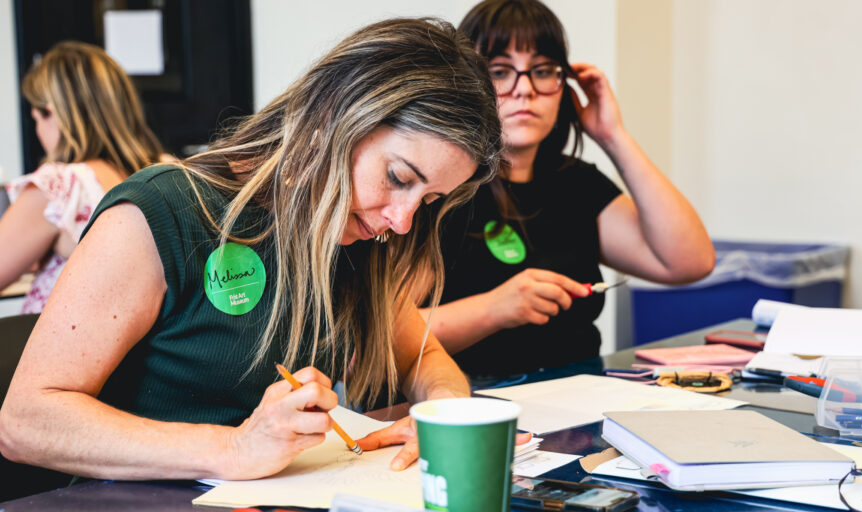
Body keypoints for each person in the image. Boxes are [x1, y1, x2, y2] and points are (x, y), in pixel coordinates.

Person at [0, 18, 502, 480]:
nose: (403, 220)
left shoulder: (353, 231)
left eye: (429, 200)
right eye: (397, 177)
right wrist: (235, 449)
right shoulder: (163, 211)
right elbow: (24, 421)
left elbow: (420, 354)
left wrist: (444, 417)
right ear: (334, 115)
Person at [423, 0, 716, 381]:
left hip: (578, 406)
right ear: (466, 82)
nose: (525, 90)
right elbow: (378, 341)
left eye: (542, 71)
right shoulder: (437, 188)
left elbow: (690, 262)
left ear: (564, 84)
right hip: (471, 410)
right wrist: (494, 308)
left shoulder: (575, 183)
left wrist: (613, 135)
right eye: (499, 71)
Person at [0, 41, 166, 313]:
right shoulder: (163, 171)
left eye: (37, 119)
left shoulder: (60, 187)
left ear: (54, 113)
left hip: (58, 348)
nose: (39, 132)